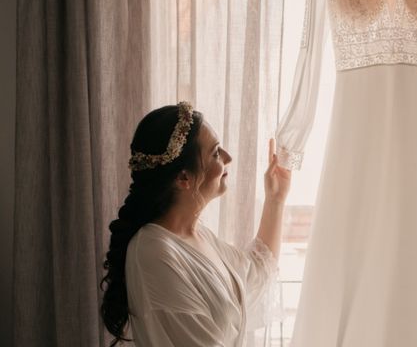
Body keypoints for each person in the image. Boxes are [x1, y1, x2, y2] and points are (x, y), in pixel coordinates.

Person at [101, 101, 291, 347]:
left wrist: (275, 200)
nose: (228, 158)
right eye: (215, 152)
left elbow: (254, 273)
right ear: (183, 177)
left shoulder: (199, 236)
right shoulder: (153, 252)